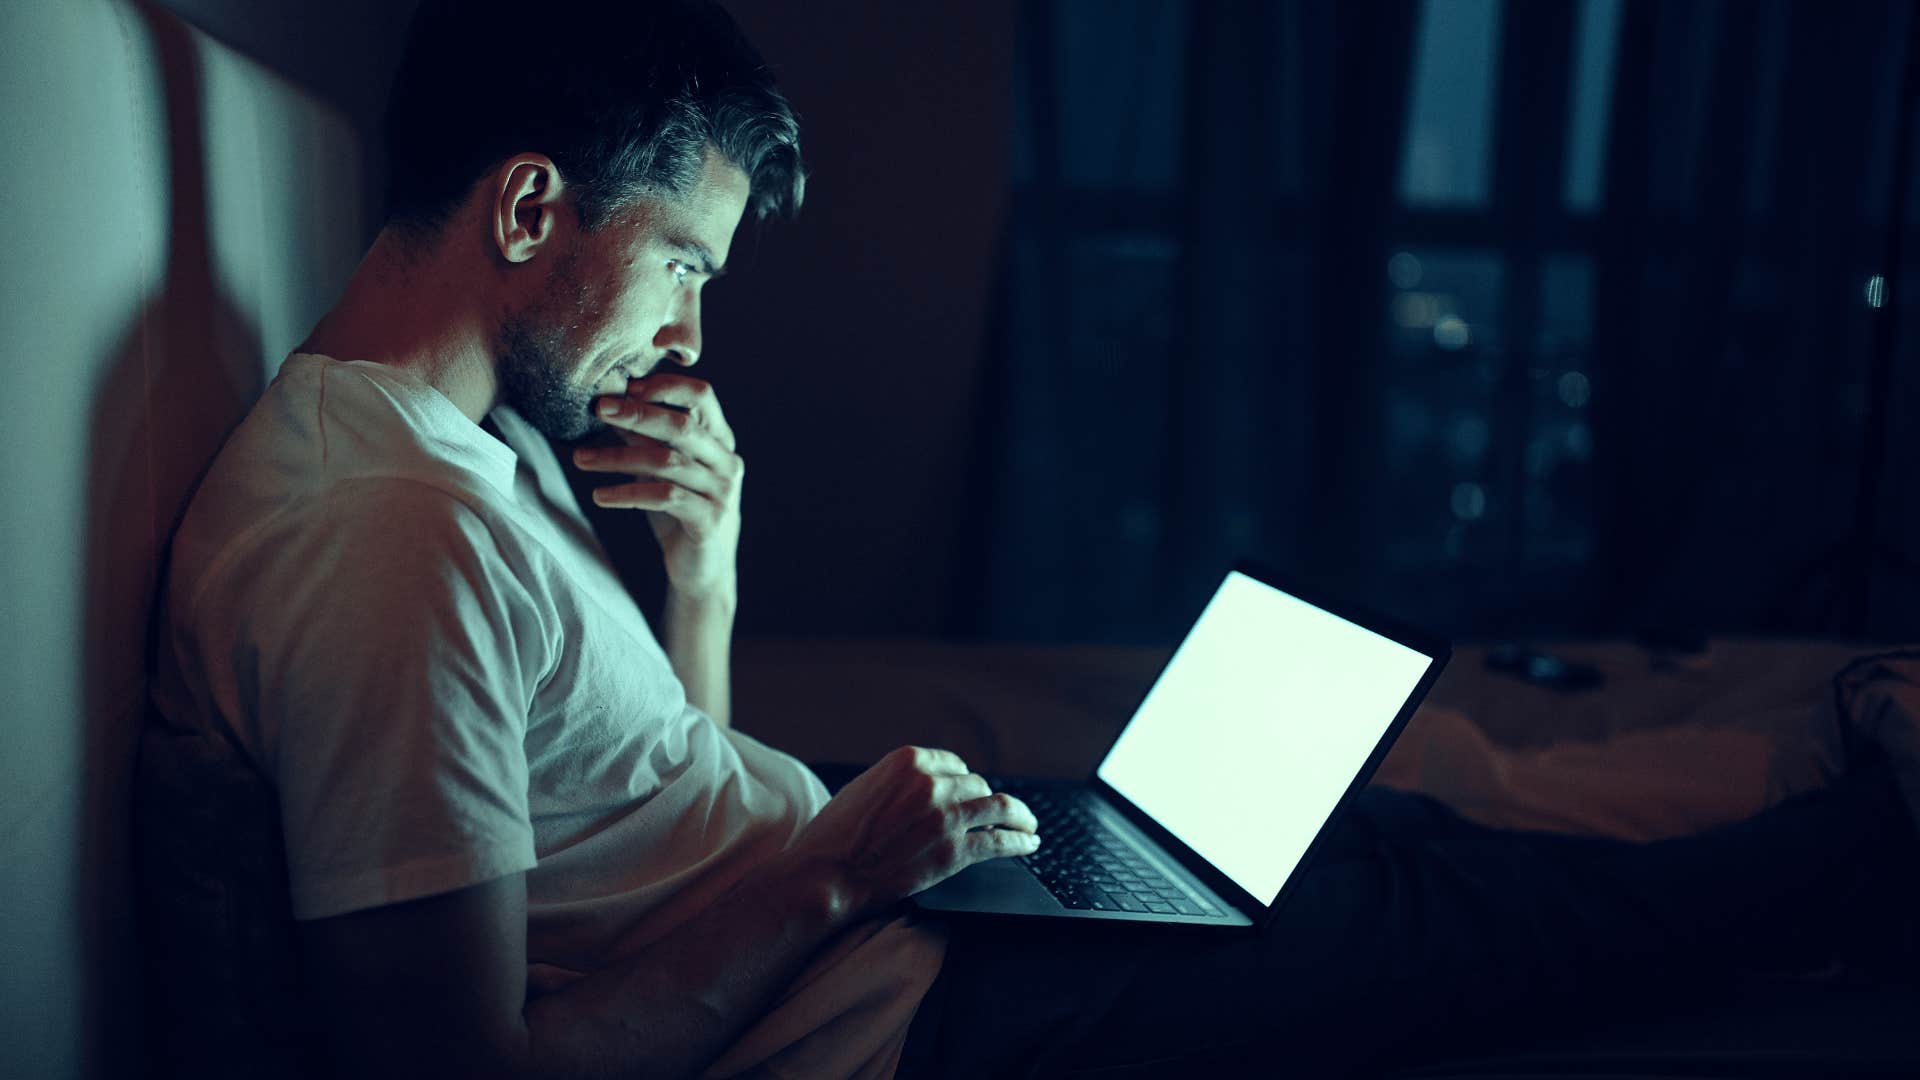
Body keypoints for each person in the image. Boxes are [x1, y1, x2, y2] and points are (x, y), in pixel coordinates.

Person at [150, 1, 1920, 1077]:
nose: (687, 336)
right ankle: (1861, 841)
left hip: (881, 917)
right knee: (1450, 928)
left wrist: (712, 577)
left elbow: (646, 795)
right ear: (530, 204)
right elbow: (463, 1072)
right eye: (683, 263)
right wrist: (838, 871)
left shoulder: (456, 451)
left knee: (1346, 842)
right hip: (911, 1022)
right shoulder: (391, 537)